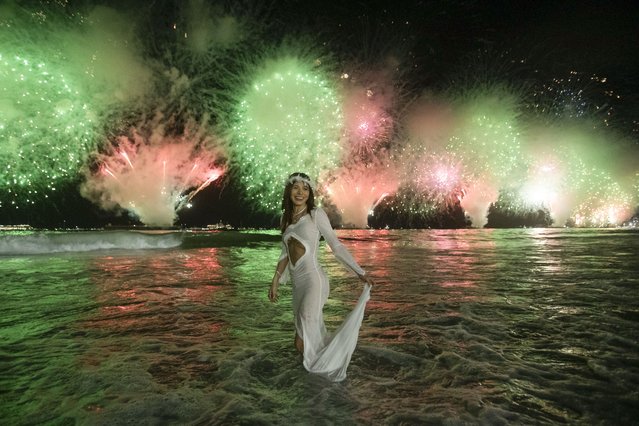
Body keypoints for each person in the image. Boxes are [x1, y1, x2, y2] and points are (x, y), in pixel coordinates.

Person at [268, 172, 374, 382]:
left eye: (305, 188)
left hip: (314, 282)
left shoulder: (316, 215)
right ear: (288, 191)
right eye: (296, 188)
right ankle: (314, 380)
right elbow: (285, 254)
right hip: (298, 285)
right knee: (302, 337)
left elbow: (335, 245)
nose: (300, 193)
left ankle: (318, 385)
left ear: (310, 193)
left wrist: (359, 272)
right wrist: (275, 280)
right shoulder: (286, 219)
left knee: (302, 340)